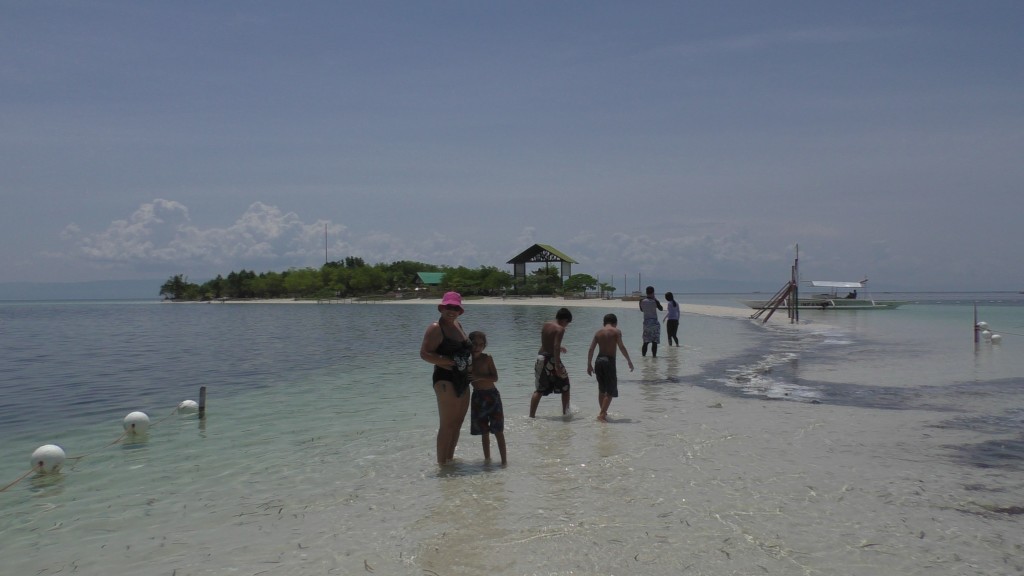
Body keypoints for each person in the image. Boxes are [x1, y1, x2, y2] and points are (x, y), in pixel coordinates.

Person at [419, 291, 473, 465]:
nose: (452, 311)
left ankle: (449, 460)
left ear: (460, 310)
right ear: (442, 308)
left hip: (463, 378)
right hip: (445, 379)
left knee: (458, 422)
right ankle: (442, 465)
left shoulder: (458, 325)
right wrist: (448, 362)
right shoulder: (436, 327)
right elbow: (425, 354)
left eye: (456, 307)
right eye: (448, 307)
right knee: (447, 424)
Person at [468, 331, 507, 466]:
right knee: (484, 431)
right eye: (474, 344)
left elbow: (495, 378)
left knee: (498, 430)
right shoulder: (467, 360)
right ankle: (487, 460)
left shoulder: (487, 358)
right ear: (469, 344)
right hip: (478, 397)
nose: (477, 347)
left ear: (484, 346)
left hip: (492, 396)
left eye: (481, 344)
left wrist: (479, 376)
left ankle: (504, 462)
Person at [586, 313, 634, 422]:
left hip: (598, 361)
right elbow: (621, 347)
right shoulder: (616, 331)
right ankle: (602, 415)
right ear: (615, 323)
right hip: (609, 361)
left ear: (604, 323)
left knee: (601, 389)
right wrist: (629, 361)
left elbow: (591, 349)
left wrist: (589, 364)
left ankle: (603, 412)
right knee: (610, 390)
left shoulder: (598, 333)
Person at [529, 307, 573, 417]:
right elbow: (556, 346)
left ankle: (531, 416)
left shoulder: (546, 325)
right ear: (564, 320)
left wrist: (558, 347)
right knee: (566, 386)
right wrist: (557, 366)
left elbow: (546, 342)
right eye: (567, 323)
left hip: (540, 357)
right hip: (551, 360)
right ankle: (566, 413)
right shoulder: (560, 329)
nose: (566, 326)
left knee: (539, 389)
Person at [639, 286, 663, 357]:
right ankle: (654, 357)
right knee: (654, 342)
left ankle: (643, 358)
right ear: (653, 292)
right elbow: (661, 309)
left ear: (646, 292)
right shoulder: (655, 301)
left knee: (645, 342)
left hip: (646, 323)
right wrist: (655, 299)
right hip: (654, 323)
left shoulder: (641, 301)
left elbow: (642, 310)